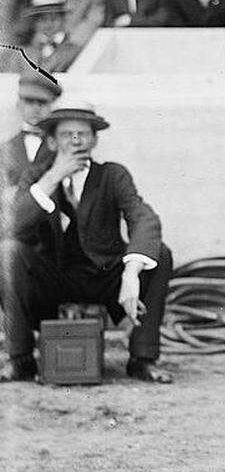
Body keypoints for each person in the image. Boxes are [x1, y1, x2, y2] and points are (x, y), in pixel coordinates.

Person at [0, 99, 174, 384]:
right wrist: (54, 176)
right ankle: (20, 360)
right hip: (53, 279)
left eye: (83, 134)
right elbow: (12, 226)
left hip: (104, 277)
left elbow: (143, 218)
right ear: (53, 142)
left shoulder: (112, 175)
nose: (76, 141)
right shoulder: (36, 176)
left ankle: (142, 359)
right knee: (8, 251)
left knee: (160, 253)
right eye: (67, 135)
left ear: (94, 140)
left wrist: (131, 272)